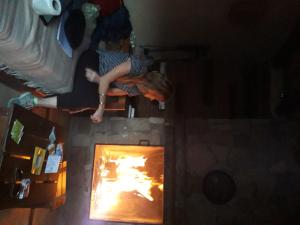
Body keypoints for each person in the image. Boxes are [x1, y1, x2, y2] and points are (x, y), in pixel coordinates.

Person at [8, 49, 173, 123]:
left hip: (96, 76)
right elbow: (107, 80)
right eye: (154, 97)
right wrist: (101, 105)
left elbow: (108, 90)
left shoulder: (135, 91)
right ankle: (33, 101)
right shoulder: (136, 66)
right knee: (90, 101)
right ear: (154, 88)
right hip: (93, 59)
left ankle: (34, 101)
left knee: (88, 101)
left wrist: (98, 80)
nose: (150, 98)